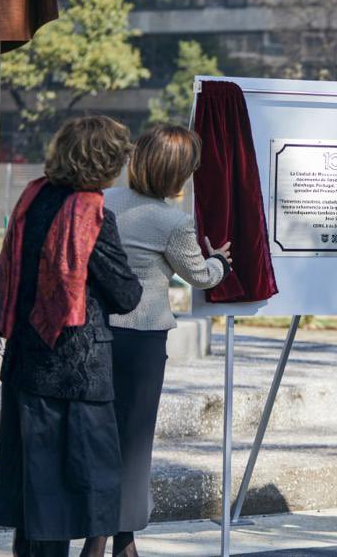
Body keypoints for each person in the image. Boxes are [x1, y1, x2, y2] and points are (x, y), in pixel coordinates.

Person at [0, 116, 143, 557]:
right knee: (89, 483)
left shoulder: (31, 198)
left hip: (26, 361)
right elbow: (126, 294)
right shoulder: (93, 213)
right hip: (78, 372)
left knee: (37, 489)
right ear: (102, 161)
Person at [102, 125, 233, 557]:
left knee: (99, 436)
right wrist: (219, 261)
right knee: (134, 441)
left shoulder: (104, 202)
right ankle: (118, 541)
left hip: (98, 333)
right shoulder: (174, 223)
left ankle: (106, 536)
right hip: (141, 341)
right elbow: (200, 276)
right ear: (177, 173)